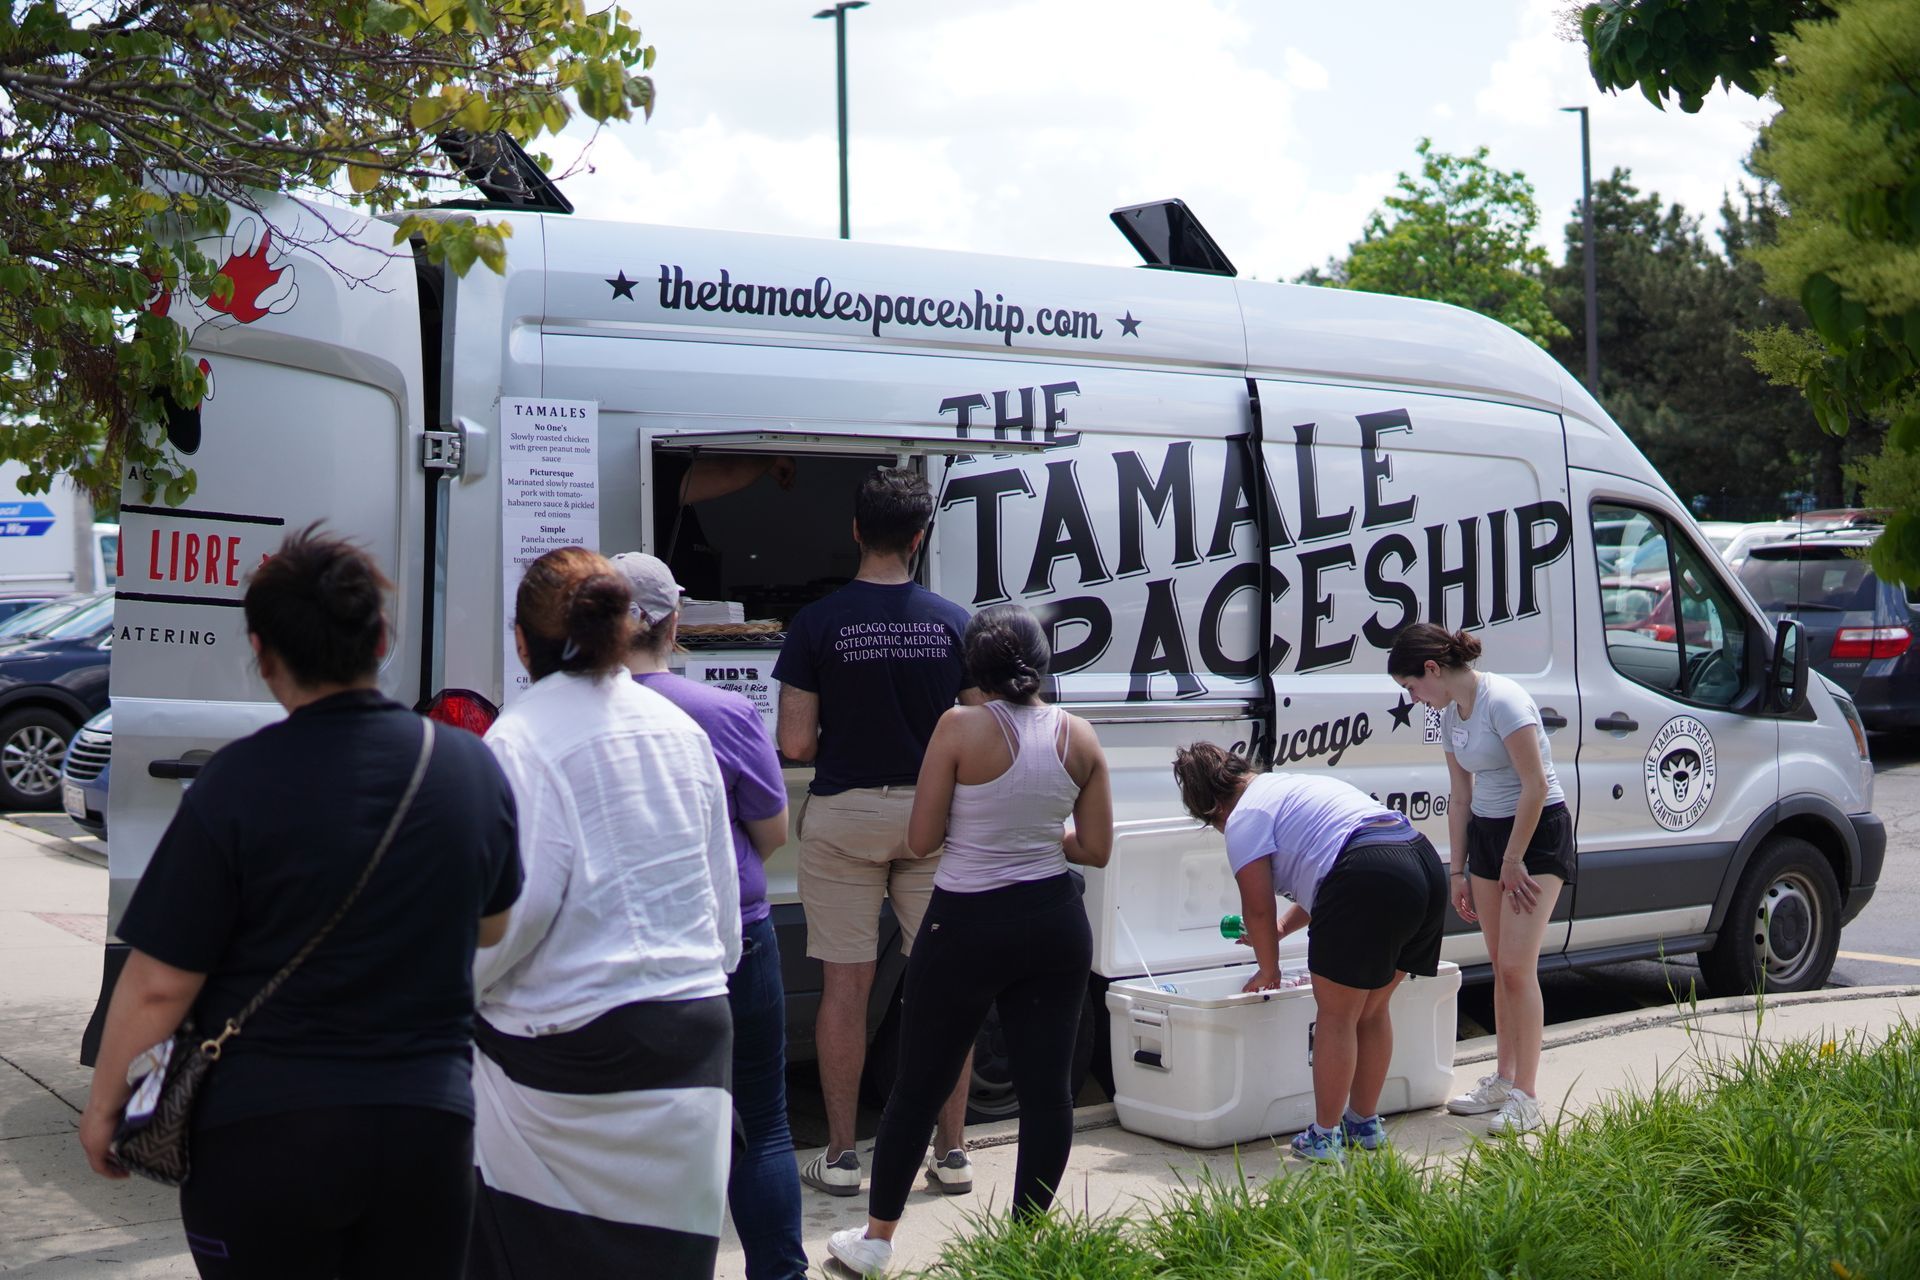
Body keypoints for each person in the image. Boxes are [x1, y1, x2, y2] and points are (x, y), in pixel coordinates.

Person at [78, 527, 522, 1280]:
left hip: (265, 1129)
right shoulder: (466, 767)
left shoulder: (234, 784)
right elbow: (493, 924)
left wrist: (102, 1110)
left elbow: (159, 982)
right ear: (380, 637)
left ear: (262, 652)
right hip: (427, 1124)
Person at [469, 546, 739, 1279]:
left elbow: (511, 917)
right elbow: (722, 920)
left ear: (521, 642)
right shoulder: (681, 732)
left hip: (569, 1051)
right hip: (697, 1036)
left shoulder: (519, 740)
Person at [828, 605, 1113, 1278]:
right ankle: (1023, 1246)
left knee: (917, 1088)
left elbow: (923, 839)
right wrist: (1044, 836)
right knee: (1048, 1094)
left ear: (973, 669)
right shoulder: (1081, 736)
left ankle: (876, 1240)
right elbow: (1094, 848)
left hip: (965, 924)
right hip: (1053, 921)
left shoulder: (958, 728)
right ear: (1043, 665)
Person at [773, 467, 977, 1198]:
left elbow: (794, 743)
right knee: (947, 987)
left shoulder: (817, 623)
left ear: (856, 530)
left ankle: (840, 1156)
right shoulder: (956, 622)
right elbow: (980, 732)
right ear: (920, 537)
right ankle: (951, 1155)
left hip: (846, 816)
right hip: (935, 818)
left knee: (845, 989)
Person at [612, 550, 806, 1280]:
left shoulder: (570, 712)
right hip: (737, 936)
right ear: (673, 622)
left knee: (645, 1131)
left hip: (630, 948)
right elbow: (771, 831)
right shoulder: (721, 712)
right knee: (763, 1120)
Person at [1170, 742, 1448, 1162]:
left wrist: (1268, 969)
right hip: (1421, 863)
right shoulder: (1287, 787)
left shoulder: (1244, 817)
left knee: (1337, 1016)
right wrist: (1283, 930)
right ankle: (1363, 1125)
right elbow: (1329, 866)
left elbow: (1258, 908)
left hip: (1368, 872)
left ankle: (1324, 1136)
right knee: (1371, 1011)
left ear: (1211, 810)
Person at [1388, 622, 1572, 1136]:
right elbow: (1460, 797)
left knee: (1518, 966)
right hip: (1490, 835)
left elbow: (1535, 787)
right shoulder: (1449, 716)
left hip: (1535, 833)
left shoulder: (1504, 701)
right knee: (1499, 965)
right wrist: (1458, 870)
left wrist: (1514, 859)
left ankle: (1527, 1097)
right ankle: (1503, 1077)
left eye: (1411, 687)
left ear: (1432, 670)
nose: (1414, 698)